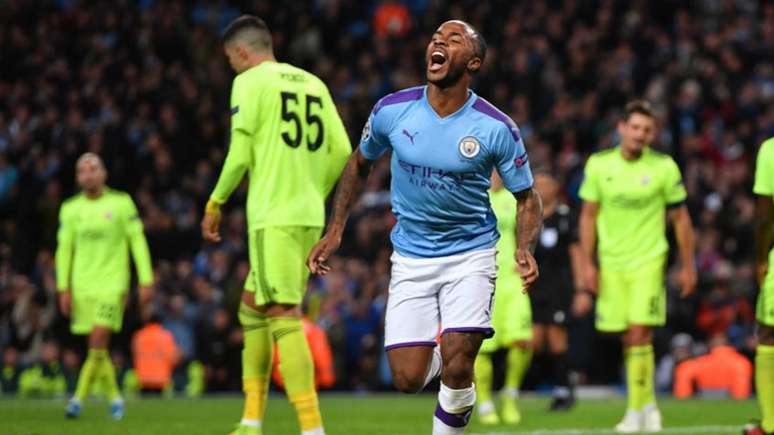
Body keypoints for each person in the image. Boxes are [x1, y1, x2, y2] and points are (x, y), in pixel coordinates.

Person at [307, 20, 542, 435]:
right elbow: (359, 163)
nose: (439, 41)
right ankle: (449, 362)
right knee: (408, 379)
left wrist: (525, 247)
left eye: (454, 39)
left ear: (473, 62)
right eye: (436, 37)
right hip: (412, 256)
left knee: (460, 355)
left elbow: (528, 197)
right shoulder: (392, 110)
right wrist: (336, 227)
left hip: (471, 252)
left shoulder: (495, 127)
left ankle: (454, 382)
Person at [200, 15, 351, 435]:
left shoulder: (249, 82)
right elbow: (341, 151)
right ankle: (251, 419)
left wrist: (215, 201)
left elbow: (239, 154)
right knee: (252, 309)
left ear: (243, 52)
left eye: (231, 59)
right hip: (307, 213)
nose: (232, 67)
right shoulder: (313, 83)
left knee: (285, 313)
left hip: (273, 216)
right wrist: (310, 188)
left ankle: (311, 428)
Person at [578, 101, 696, 433]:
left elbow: (681, 219)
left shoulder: (664, 167)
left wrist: (688, 265)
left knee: (639, 331)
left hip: (649, 260)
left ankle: (634, 410)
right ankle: (648, 404)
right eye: (635, 127)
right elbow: (588, 216)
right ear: (621, 128)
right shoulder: (599, 166)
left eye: (647, 129)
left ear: (653, 133)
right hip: (612, 263)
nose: (640, 134)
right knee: (626, 337)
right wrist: (588, 264)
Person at [56, 152, 154, 420]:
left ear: (104, 173)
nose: (88, 173)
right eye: (82, 170)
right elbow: (64, 250)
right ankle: (115, 399)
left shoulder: (122, 203)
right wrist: (62, 287)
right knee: (97, 349)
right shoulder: (70, 209)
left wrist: (145, 279)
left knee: (99, 338)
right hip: (81, 286)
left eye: (93, 168)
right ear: (78, 177)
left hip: (113, 285)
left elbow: (137, 241)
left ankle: (77, 399)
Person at [473, 172, 533, 426]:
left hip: (511, 280)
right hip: (481, 280)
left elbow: (528, 225)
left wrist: (527, 253)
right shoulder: (472, 198)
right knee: (483, 348)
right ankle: (484, 400)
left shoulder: (513, 198)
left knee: (522, 340)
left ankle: (510, 393)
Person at [530, 173, 584, 411]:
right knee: (534, 341)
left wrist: (583, 288)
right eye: (537, 184)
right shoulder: (527, 218)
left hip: (558, 287)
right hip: (532, 286)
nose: (541, 188)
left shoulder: (565, 218)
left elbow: (576, 253)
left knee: (556, 337)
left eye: (545, 184)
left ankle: (564, 390)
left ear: (556, 188)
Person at [745, 136, 774, 435]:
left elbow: (765, 215)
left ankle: (770, 423)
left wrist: (761, 258)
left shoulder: (769, 149)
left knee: (769, 334)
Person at [673, 335, 751, 400]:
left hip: (703, 399)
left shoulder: (699, 363)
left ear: (710, 345)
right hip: (730, 400)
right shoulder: (741, 362)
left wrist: (683, 398)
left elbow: (683, 378)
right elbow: (741, 392)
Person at [132, 312, 179, 395]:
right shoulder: (165, 336)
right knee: (158, 404)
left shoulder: (139, 336)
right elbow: (173, 358)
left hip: (143, 378)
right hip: (160, 378)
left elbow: (134, 355)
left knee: (145, 405)